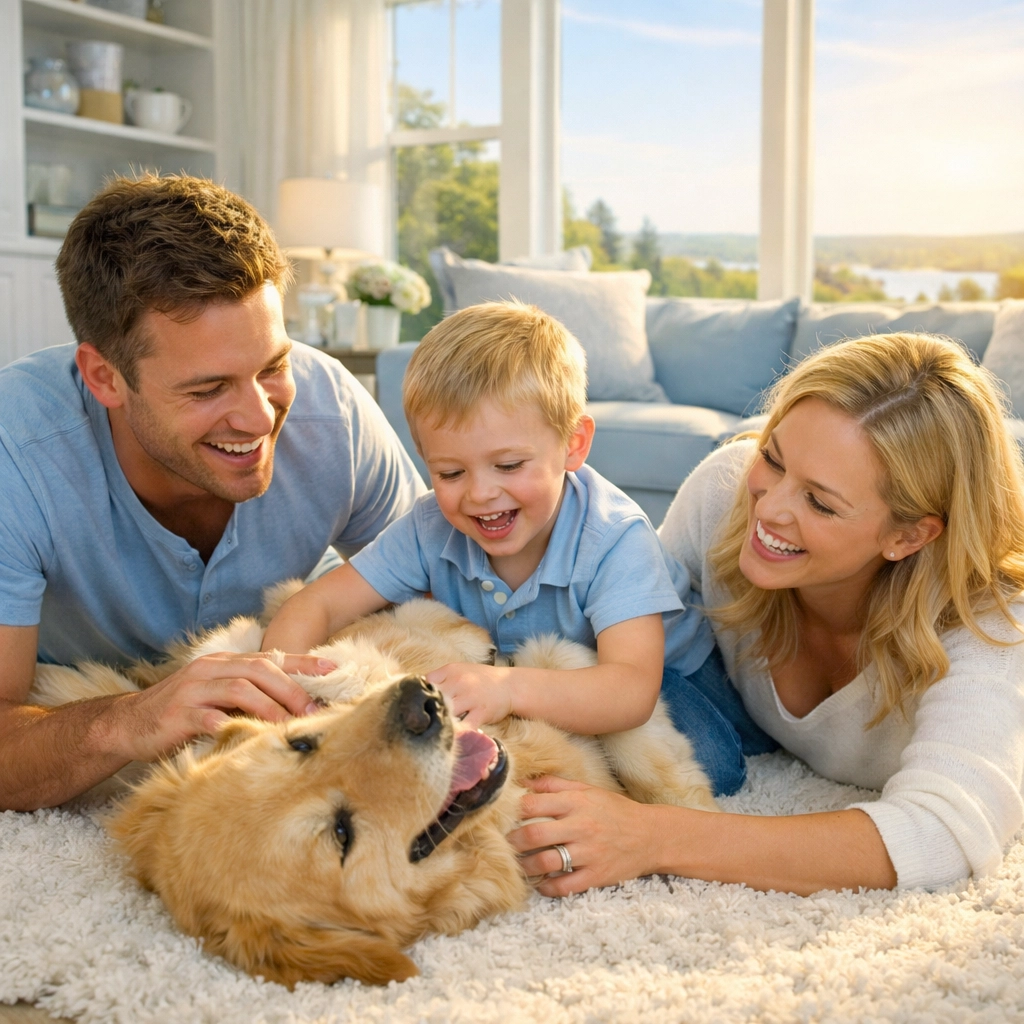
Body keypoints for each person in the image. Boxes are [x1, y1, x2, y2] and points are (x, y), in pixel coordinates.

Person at [509, 332, 1024, 897]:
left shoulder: (995, 628)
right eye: (773, 460)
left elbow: (940, 833)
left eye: (821, 503)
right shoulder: (725, 492)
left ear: (908, 534)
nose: (769, 507)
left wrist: (652, 836)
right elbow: (602, 615)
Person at [0, 174, 424, 812]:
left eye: (273, 367)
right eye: (207, 390)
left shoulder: (333, 408)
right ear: (103, 377)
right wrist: (135, 719)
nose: (258, 418)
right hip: (86, 693)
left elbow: (458, 594)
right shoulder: (17, 454)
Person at [262, 301, 725, 747]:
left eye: (508, 466)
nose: (480, 493)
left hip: (662, 672)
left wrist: (508, 689)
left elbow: (629, 692)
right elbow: (316, 606)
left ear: (573, 444)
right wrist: (281, 696)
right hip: (534, 671)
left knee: (704, 760)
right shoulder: (429, 525)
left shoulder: (615, 538)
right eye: (451, 473)